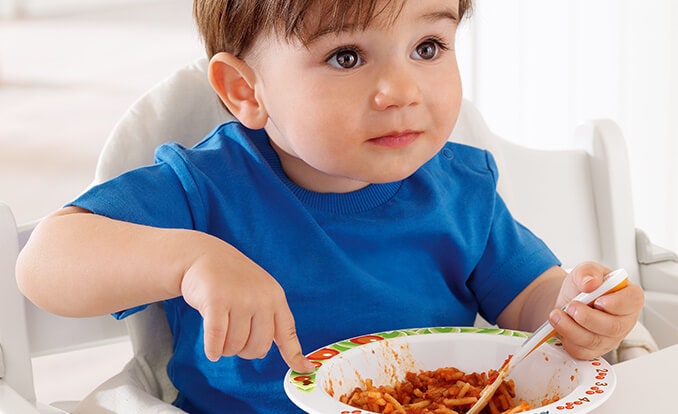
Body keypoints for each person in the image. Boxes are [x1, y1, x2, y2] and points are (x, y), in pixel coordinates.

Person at [16, 0, 644, 413]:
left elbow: (529, 302)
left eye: (428, 46)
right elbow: (44, 263)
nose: (401, 90)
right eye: (346, 56)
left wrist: (576, 310)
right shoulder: (204, 188)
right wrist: (189, 260)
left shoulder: (460, 188)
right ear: (247, 91)